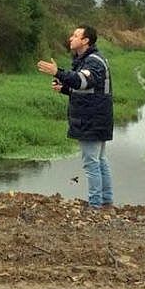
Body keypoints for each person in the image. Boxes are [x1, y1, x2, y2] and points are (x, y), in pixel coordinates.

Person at [36, 25, 114, 209]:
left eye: (76, 35)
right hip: (97, 118)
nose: (71, 38)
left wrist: (58, 72)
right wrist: (64, 88)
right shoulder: (86, 60)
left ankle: (95, 206)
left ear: (86, 40)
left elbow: (82, 81)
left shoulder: (93, 62)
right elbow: (87, 89)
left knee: (91, 163)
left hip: (92, 120)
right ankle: (106, 202)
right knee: (100, 161)